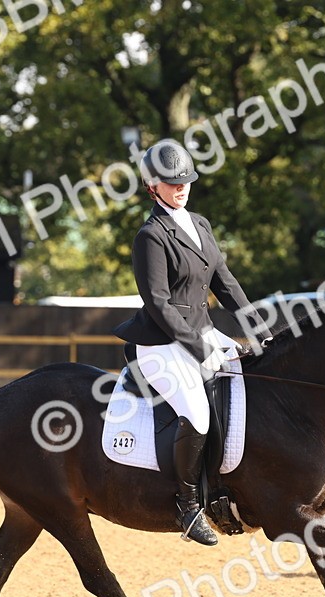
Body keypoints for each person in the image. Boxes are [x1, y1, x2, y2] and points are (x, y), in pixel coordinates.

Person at [113, 139, 267, 546]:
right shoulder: (150, 236)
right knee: (197, 415)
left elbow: (225, 282)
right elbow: (159, 304)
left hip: (201, 330)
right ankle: (188, 505)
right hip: (163, 343)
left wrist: (258, 329)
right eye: (171, 183)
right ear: (153, 187)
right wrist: (200, 349)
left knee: (249, 384)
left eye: (185, 181)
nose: (180, 188)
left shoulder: (200, 225)